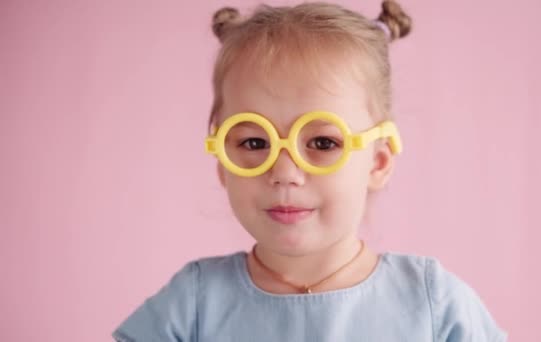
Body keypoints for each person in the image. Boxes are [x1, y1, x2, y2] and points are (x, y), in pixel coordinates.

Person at [112, 1, 508, 341]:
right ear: (222, 161)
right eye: (254, 143)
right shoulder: (191, 305)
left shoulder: (434, 304)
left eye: (322, 143)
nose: (285, 172)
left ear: (378, 162)